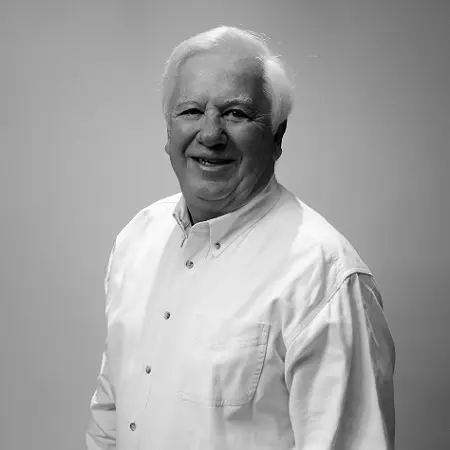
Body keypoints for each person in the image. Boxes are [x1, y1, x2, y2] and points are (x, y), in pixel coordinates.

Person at [86, 26, 395, 450]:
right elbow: (111, 410)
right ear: (168, 131)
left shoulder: (323, 277)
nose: (211, 134)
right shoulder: (136, 240)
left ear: (277, 137)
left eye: (236, 113)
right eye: (191, 110)